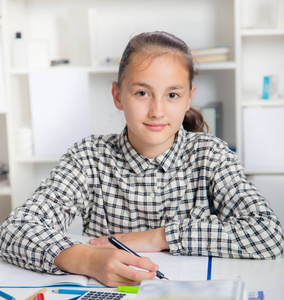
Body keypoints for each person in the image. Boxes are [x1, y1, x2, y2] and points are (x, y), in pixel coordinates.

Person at [0, 31, 283, 287]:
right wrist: (87, 259)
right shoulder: (89, 158)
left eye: (172, 95)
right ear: (118, 95)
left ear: (188, 100)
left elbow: (268, 234)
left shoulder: (211, 155)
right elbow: (14, 230)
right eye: (142, 93)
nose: (157, 111)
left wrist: (161, 237)